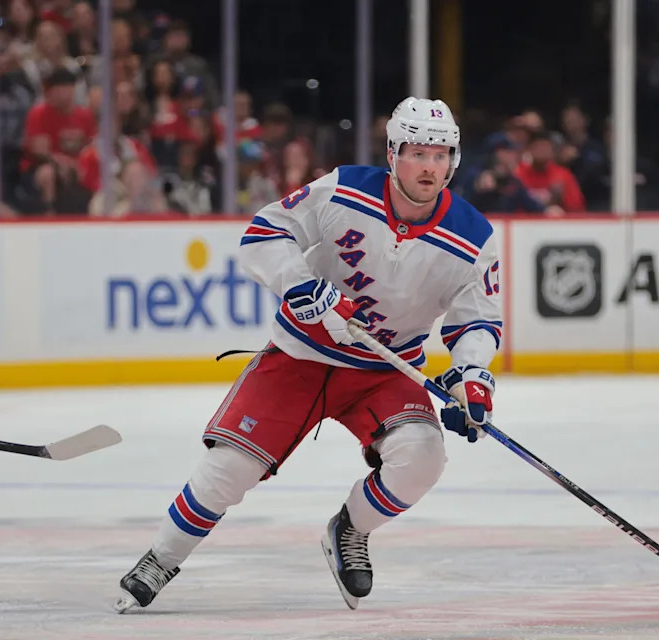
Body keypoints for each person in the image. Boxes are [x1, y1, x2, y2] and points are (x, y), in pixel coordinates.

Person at [114, 97, 503, 612]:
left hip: (383, 371)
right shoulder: (343, 189)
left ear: (452, 161)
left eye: (439, 155)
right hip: (299, 356)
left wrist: (471, 377)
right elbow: (263, 233)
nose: (429, 166)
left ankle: (349, 529)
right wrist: (302, 285)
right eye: (417, 153)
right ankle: (162, 556)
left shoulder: (474, 237)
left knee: (423, 458)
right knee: (229, 470)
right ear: (392, 154)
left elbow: (477, 319)